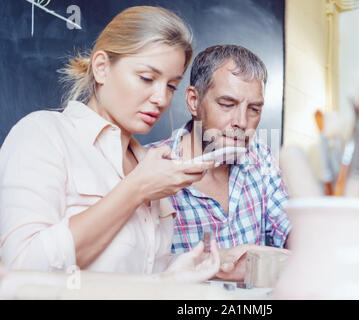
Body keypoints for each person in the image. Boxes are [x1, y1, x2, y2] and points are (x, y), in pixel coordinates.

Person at [0, 6, 220, 282]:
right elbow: (21, 267)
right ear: (102, 68)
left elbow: (132, 274)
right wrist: (135, 189)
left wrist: (176, 273)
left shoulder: (148, 164)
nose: (161, 98)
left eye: (171, 86)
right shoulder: (42, 134)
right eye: (147, 78)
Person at [149, 45, 291, 280]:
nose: (242, 122)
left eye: (254, 109)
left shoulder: (261, 157)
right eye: (227, 104)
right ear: (194, 101)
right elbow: (137, 270)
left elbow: (287, 228)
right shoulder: (148, 166)